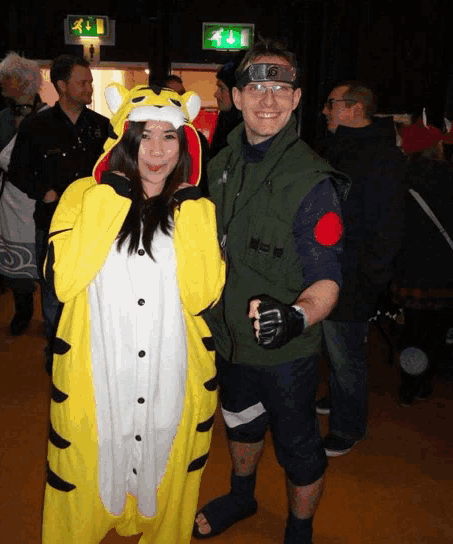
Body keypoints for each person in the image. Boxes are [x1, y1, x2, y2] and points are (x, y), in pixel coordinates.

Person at [41, 83, 225, 544]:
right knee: (85, 477)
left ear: (185, 145)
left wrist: (193, 209)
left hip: (169, 375)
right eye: (145, 135)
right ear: (124, 139)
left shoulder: (195, 209)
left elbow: (203, 295)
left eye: (170, 136)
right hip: (98, 376)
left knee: (163, 480)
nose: (157, 150)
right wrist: (112, 197)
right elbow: (64, 280)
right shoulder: (83, 196)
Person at [194, 39, 350, 544]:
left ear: (297, 97)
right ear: (235, 97)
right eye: (256, 87)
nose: (267, 100)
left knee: (298, 446)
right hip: (227, 342)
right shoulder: (217, 167)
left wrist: (298, 317)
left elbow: (328, 279)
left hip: (286, 353)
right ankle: (243, 495)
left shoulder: (311, 181)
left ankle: (299, 529)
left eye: (280, 88)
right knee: (238, 424)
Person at [315, 82, 406, 456]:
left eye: (331, 104)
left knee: (346, 353)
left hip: (353, 276)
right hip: (332, 267)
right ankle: (338, 399)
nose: (325, 111)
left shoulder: (380, 157)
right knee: (335, 348)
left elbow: (388, 226)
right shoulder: (344, 148)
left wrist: (370, 280)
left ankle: (349, 426)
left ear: (353, 110)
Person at [8, 55, 109, 371]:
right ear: (62, 86)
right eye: (83, 81)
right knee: (54, 293)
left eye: (90, 81)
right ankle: (57, 353)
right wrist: (44, 193)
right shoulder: (36, 127)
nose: (89, 87)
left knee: (95, 292)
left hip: (95, 227)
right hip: (53, 226)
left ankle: (91, 356)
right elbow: (17, 171)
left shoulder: (101, 126)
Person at [393, 119, 453, 405]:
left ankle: (409, 385)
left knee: (412, 330)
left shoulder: (400, 178)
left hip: (411, 268)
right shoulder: (450, 175)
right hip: (446, 268)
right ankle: (426, 381)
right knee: (436, 331)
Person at [0, 52, 47, 335]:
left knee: (45, 260)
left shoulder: (48, 117)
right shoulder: (1, 117)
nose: (1, 84)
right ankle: (22, 312)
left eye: (6, 79)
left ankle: (51, 316)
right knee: (15, 264)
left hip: (37, 198)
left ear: (24, 82)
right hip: (9, 199)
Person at [208, 59, 243, 159]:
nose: (216, 94)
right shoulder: (224, 120)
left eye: (222, 88)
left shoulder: (248, 131)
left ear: (236, 93)